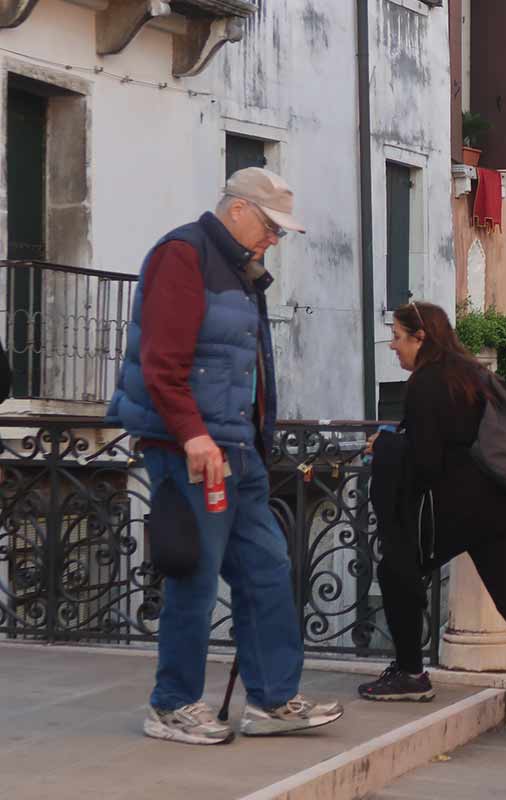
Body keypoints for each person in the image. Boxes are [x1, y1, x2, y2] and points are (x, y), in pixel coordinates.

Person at [109, 168, 344, 745]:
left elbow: (244, 367)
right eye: (271, 226)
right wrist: (193, 436)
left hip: (236, 450)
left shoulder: (240, 271)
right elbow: (163, 362)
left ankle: (270, 701)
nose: (275, 240)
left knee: (267, 572)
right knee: (193, 576)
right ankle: (172, 705)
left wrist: (249, 440)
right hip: (192, 450)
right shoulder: (182, 255)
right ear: (237, 210)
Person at [357, 301, 506, 751]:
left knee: (396, 568)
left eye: (398, 336)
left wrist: (386, 446)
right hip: (503, 504)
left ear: (420, 338)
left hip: (462, 509)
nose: (393, 345)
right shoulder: (469, 373)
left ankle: (409, 673)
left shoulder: (426, 383)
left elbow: (425, 463)